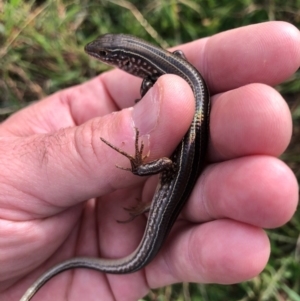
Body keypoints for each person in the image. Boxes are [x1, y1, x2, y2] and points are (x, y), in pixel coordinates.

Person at [1, 21, 299, 301]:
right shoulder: (177, 65)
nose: (98, 56)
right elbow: (179, 55)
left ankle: (140, 172)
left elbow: (169, 163)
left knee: (168, 172)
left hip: (176, 170)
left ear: (127, 61)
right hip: (182, 162)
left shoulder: (156, 78)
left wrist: (139, 166)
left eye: (105, 55)